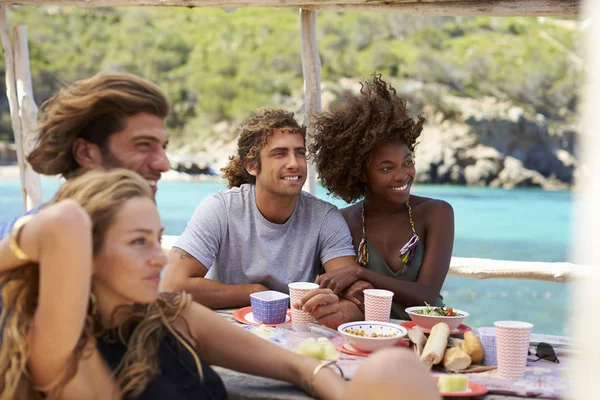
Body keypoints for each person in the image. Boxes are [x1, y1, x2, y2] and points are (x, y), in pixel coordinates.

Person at [0, 169, 442, 400]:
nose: (159, 257)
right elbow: (62, 222)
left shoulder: (171, 318)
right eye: (138, 242)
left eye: (157, 238)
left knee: (396, 369)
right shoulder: (64, 351)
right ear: (85, 254)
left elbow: (298, 367)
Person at [160, 109, 371, 328]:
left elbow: (354, 298)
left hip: (295, 335)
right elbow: (172, 286)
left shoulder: (325, 218)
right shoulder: (220, 208)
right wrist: (256, 292)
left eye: (299, 153)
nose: (294, 163)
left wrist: (338, 312)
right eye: (280, 154)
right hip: (224, 331)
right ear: (252, 166)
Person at [310, 75, 455, 320]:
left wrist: (360, 273)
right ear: (361, 173)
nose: (403, 175)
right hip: (369, 335)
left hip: (429, 333)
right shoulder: (343, 220)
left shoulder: (436, 213)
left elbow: (427, 295)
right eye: (387, 168)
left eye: (407, 162)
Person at [0, 71, 171, 240]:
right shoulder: (35, 243)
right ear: (85, 153)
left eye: (163, 146)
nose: (164, 164)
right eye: (143, 145)